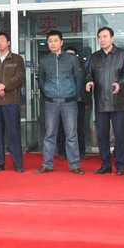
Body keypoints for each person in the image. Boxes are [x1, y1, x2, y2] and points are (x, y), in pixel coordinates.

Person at [86, 26, 124, 176]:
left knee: (120, 135)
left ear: (111, 38)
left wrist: (120, 83)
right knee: (102, 136)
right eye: (99, 37)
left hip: (119, 102)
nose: (102, 40)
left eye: (105, 36)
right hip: (101, 101)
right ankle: (105, 164)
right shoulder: (94, 57)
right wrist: (89, 81)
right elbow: (89, 74)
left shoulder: (122, 54)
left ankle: (120, 165)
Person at [37, 30, 85, 175]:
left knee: (71, 134)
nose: (53, 43)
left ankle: (74, 165)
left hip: (69, 102)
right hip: (51, 102)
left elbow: (79, 78)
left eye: (55, 40)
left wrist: (75, 95)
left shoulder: (71, 59)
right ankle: (47, 164)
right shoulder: (44, 61)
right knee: (49, 134)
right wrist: (47, 92)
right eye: (50, 41)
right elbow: (41, 80)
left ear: (61, 42)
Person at [0, 32, 26, 173]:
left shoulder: (17, 59)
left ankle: (18, 164)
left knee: (13, 133)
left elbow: (20, 77)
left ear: (8, 43)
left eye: (2, 40)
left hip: (11, 101)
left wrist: (4, 86)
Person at [56, 46, 87, 159]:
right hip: (62, 101)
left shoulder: (82, 67)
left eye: (72, 55)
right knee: (62, 127)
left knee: (79, 127)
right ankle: (62, 151)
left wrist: (86, 101)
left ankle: (80, 152)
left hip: (78, 101)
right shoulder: (59, 67)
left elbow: (86, 83)